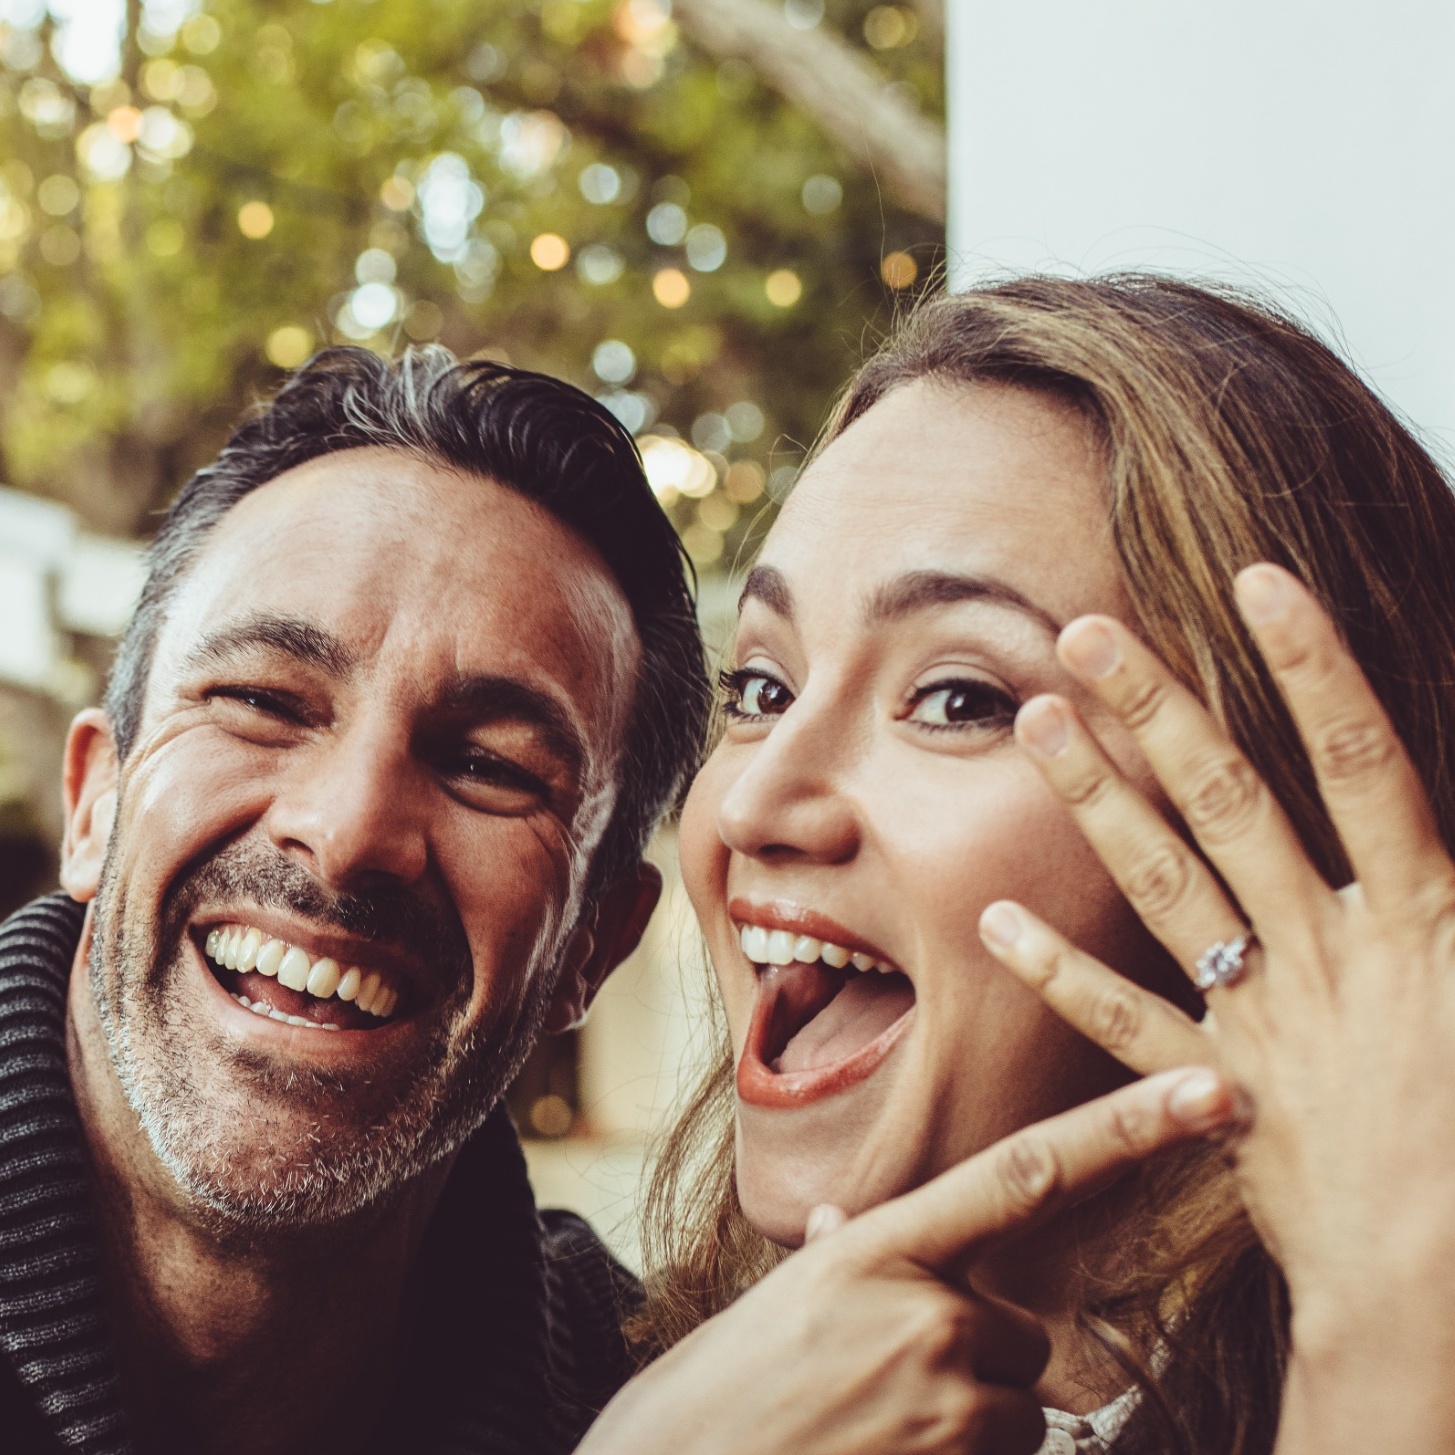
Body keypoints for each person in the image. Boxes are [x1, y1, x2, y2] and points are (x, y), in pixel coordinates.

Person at [577, 274, 1455, 1455]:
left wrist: (1387, 1331)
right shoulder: (599, 1374)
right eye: (761, 689)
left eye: (957, 698)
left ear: (1289, 826)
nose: (755, 802)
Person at [0, 346, 711, 1454]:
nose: (346, 834)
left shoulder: (674, 1409)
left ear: (594, 946)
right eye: (259, 701)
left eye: (493, 768)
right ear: (92, 804)